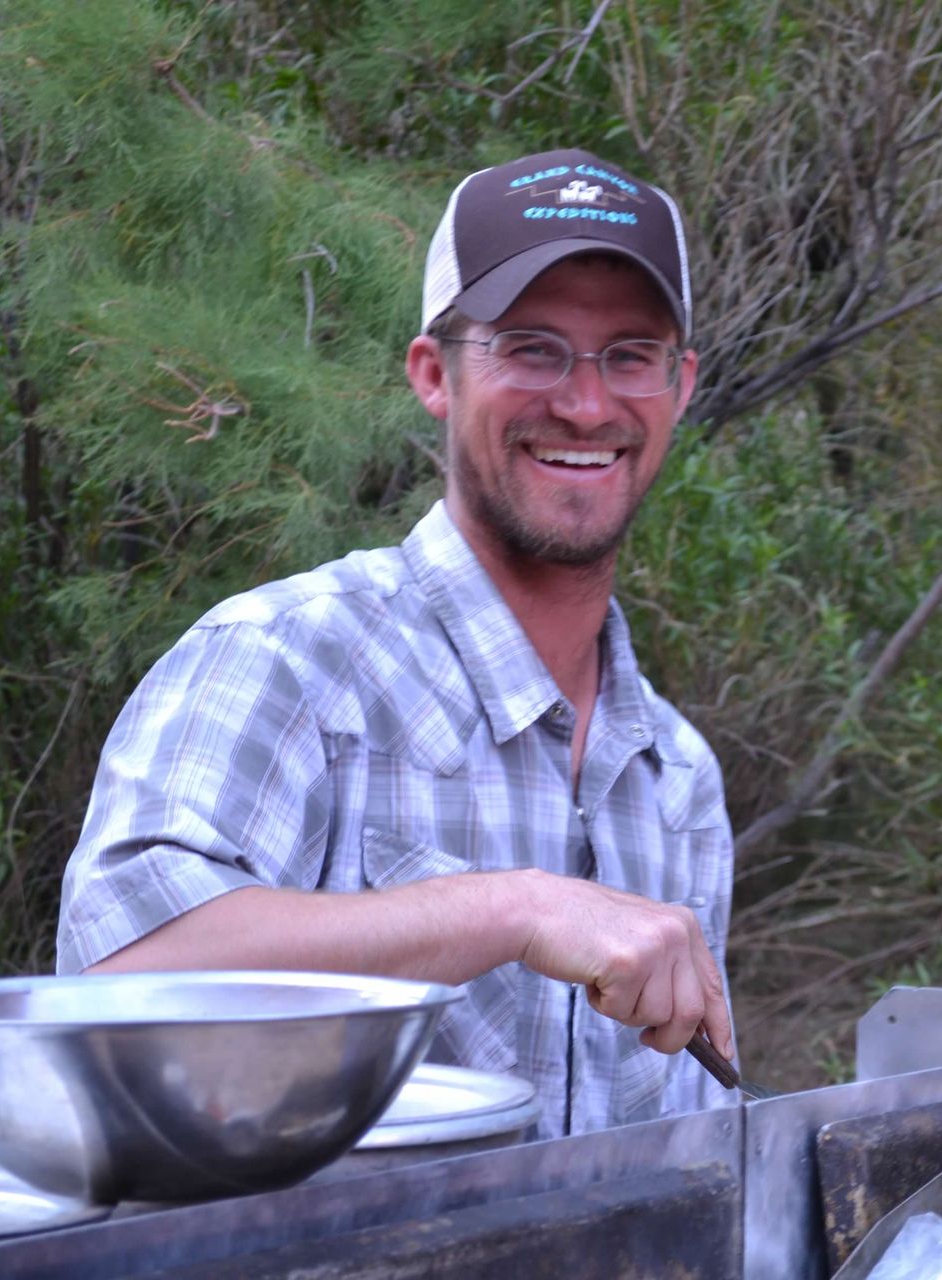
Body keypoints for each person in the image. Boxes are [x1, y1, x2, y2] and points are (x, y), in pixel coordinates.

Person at [56, 148, 736, 1138]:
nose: (587, 404)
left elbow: (700, 1148)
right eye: (532, 346)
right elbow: (122, 976)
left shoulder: (677, 779)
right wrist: (515, 909)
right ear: (434, 372)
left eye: (630, 354)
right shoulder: (285, 660)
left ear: (679, 386)